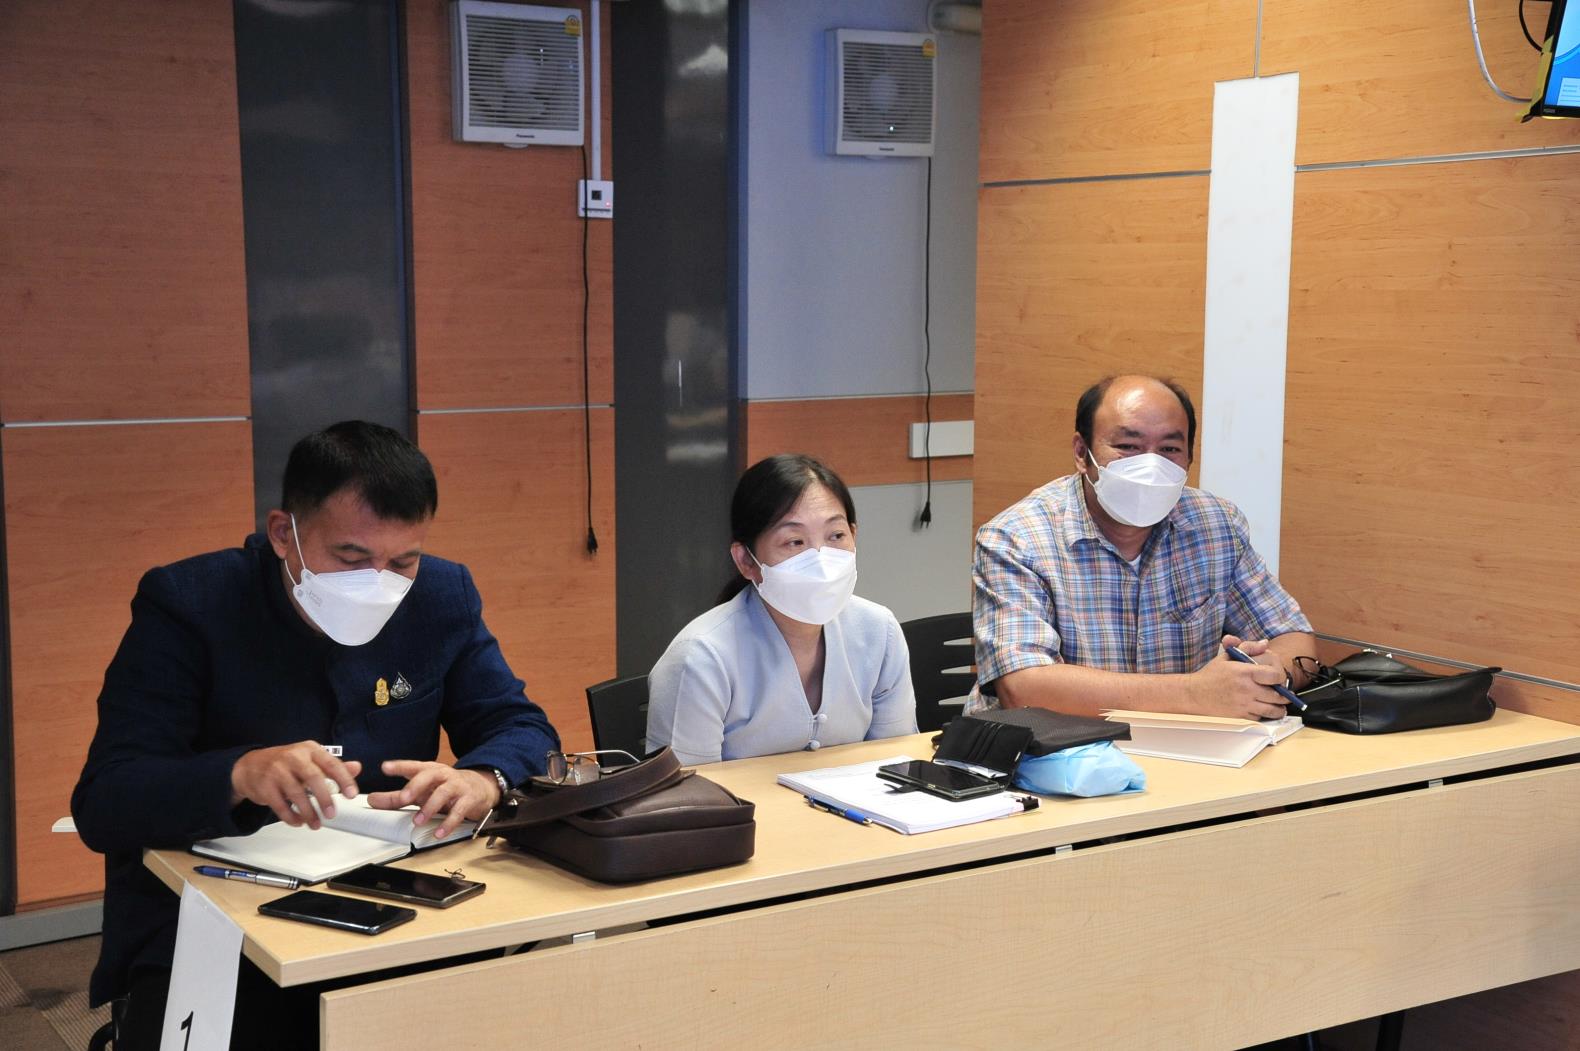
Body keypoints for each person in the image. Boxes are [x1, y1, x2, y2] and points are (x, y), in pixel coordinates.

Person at [72, 420, 559, 1048]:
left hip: (396, 903)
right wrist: (236, 775)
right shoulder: (190, 604)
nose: (378, 582)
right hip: (217, 922)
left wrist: (483, 777)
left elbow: (521, 726)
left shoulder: (441, 596)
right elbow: (106, 799)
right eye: (351, 559)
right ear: (285, 534)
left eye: (402, 562)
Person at [971, 375, 1316, 719]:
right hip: (1058, 747)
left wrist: (1271, 675)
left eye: (1169, 449)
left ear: (1189, 458)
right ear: (1081, 453)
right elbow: (1023, 688)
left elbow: (1293, 638)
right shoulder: (1017, 538)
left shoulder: (1217, 524)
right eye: (1128, 446)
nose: (1150, 465)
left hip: (1190, 745)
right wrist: (1196, 693)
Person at [646, 454, 917, 765]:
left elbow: (896, 765)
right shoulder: (701, 658)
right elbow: (688, 791)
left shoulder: (880, 631)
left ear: (854, 536)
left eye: (836, 536)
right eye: (795, 542)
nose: (820, 559)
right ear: (746, 561)